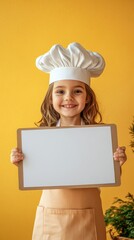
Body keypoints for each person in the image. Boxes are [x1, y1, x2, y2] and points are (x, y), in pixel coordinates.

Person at [10, 42, 127, 240]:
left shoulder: (99, 137)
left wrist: (117, 162)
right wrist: (20, 161)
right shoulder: (40, 138)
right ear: (50, 98)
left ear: (87, 98)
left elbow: (108, 175)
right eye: (60, 91)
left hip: (89, 217)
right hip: (50, 217)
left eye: (78, 91)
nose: (69, 98)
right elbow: (35, 173)